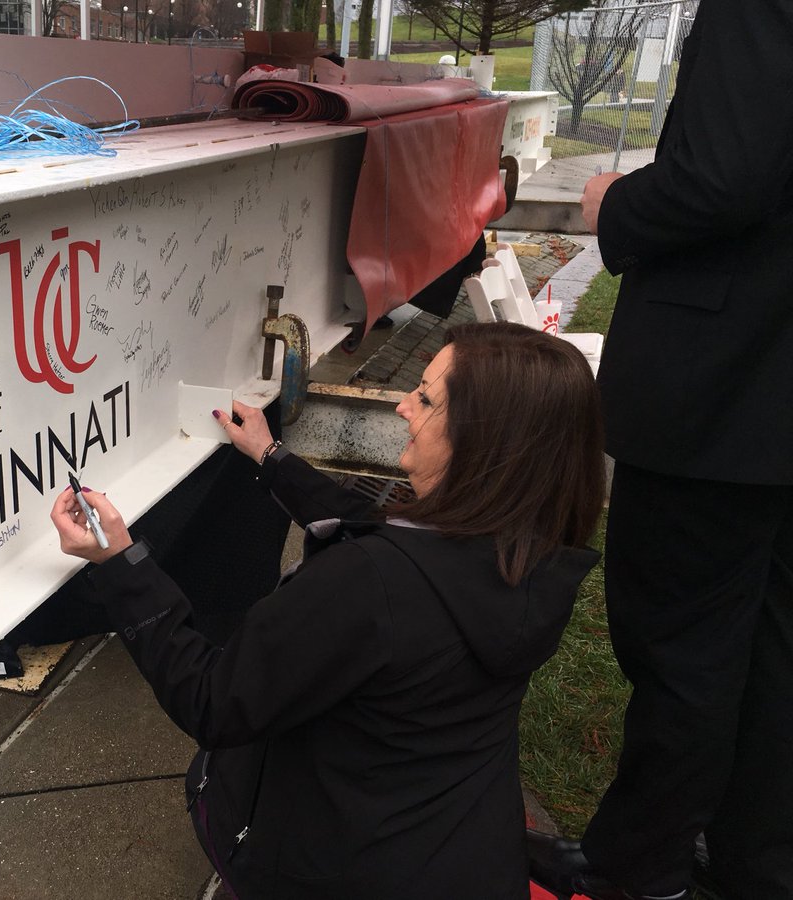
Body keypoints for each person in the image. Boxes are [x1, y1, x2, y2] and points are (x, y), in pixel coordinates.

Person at [50, 322, 604, 899]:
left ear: (485, 442)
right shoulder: (532, 555)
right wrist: (271, 456)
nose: (401, 406)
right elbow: (373, 523)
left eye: (426, 398)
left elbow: (214, 700)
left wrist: (120, 563)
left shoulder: (368, 587)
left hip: (329, 869)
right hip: (452, 852)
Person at [528, 3, 793, 899]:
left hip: (723, 388)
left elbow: (725, 176)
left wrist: (621, 204)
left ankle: (639, 867)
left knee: (684, 647)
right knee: (769, 647)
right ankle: (752, 856)